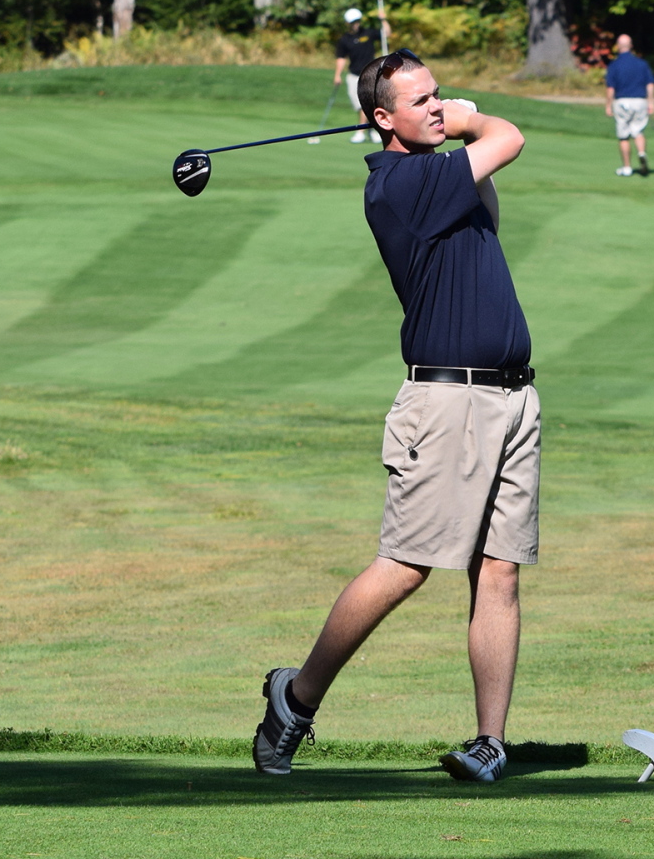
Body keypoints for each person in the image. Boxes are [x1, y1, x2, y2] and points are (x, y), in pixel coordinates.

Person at [253, 48, 539, 784]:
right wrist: (473, 120)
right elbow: (508, 138)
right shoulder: (404, 183)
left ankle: (488, 743)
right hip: (446, 402)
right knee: (407, 566)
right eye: (421, 102)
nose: (438, 108)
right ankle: (297, 697)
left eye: (440, 95)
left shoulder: (442, 172)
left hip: (511, 396)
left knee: (499, 571)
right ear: (382, 119)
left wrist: (452, 126)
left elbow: (491, 191)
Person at [334, 7, 391, 144]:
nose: (356, 24)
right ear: (348, 23)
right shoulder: (345, 39)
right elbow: (341, 58)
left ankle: (361, 132)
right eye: (353, 22)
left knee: (367, 105)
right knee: (360, 106)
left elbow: (386, 34)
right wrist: (337, 75)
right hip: (354, 75)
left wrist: (383, 19)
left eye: (358, 21)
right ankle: (372, 131)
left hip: (370, 75)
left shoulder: (368, 33)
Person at [605, 34, 654, 177]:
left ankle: (627, 167)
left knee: (624, 136)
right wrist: (651, 102)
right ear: (631, 45)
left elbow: (611, 88)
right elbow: (650, 84)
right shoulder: (642, 64)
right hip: (640, 101)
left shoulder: (615, 65)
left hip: (622, 102)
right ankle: (641, 152)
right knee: (638, 131)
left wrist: (608, 105)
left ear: (618, 46)